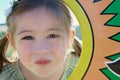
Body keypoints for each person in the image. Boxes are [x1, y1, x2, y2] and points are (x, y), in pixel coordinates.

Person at [0, 0, 82, 80]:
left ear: (70, 38)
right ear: (12, 41)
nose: (41, 50)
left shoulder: (89, 68)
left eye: (52, 35)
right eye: (28, 37)